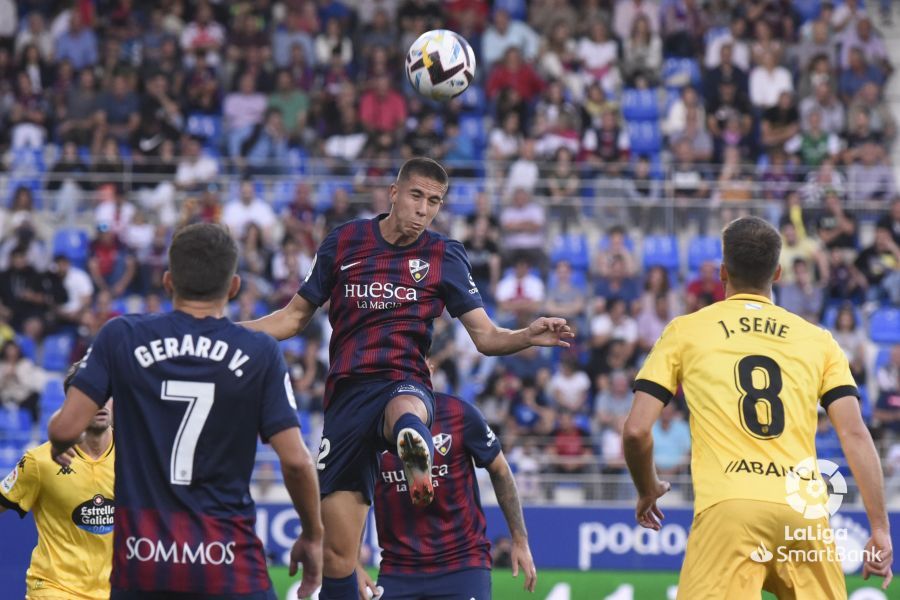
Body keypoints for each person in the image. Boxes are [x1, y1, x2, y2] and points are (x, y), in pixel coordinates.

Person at [242, 157, 570, 599]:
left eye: (435, 201)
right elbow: (293, 317)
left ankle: (414, 447)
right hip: (345, 399)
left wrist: (526, 335)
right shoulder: (345, 242)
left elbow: (487, 338)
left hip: (405, 380)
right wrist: (227, 331)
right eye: (416, 196)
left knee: (405, 407)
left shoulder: (443, 255)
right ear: (394, 194)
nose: (424, 209)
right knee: (339, 556)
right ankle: (408, 444)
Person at [47, 223, 323, 598]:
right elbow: (295, 461)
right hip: (229, 565)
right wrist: (312, 535)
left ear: (167, 281)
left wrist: (57, 434)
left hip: (143, 565)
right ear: (234, 287)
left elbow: (65, 429)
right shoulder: (259, 352)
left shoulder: (120, 336)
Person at [624, 216, 893, 598]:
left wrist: (647, 487)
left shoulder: (686, 330)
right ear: (778, 272)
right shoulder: (818, 340)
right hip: (803, 516)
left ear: (722, 272)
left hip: (729, 510)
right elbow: (853, 433)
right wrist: (879, 528)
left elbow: (635, 430)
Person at [355, 370, 537, 599]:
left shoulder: (459, 413)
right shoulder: (369, 423)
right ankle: (413, 439)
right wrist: (354, 563)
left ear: (429, 368)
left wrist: (520, 540)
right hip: (398, 569)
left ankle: (415, 439)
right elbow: (357, 493)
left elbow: (500, 470)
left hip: (462, 564)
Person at [0, 361, 114, 599]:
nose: (101, 401)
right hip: (54, 587)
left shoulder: (136, 459)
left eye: (108, 392)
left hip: (112, 590)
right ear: (73, 404)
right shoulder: (40, 461)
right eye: (92, 394)